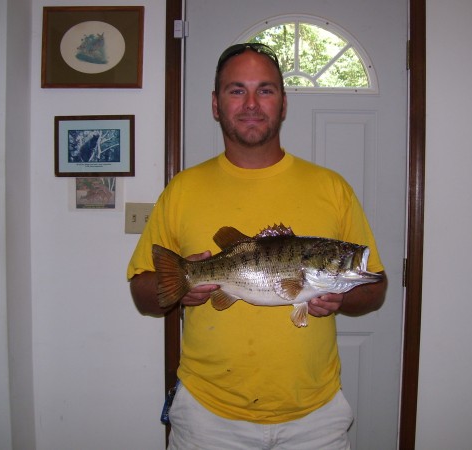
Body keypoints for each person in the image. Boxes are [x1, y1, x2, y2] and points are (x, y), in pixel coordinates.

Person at [127, 42, 387, 449]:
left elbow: (375, 288)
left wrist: (342, 299)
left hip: (315, 416)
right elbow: (144, 293)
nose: (251, 103)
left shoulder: (332, 188)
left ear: (282, 103)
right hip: (207, 416)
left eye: (265, 90)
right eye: (236, 90)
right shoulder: (182, 190)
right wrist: (182, 288)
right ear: (216, 104)